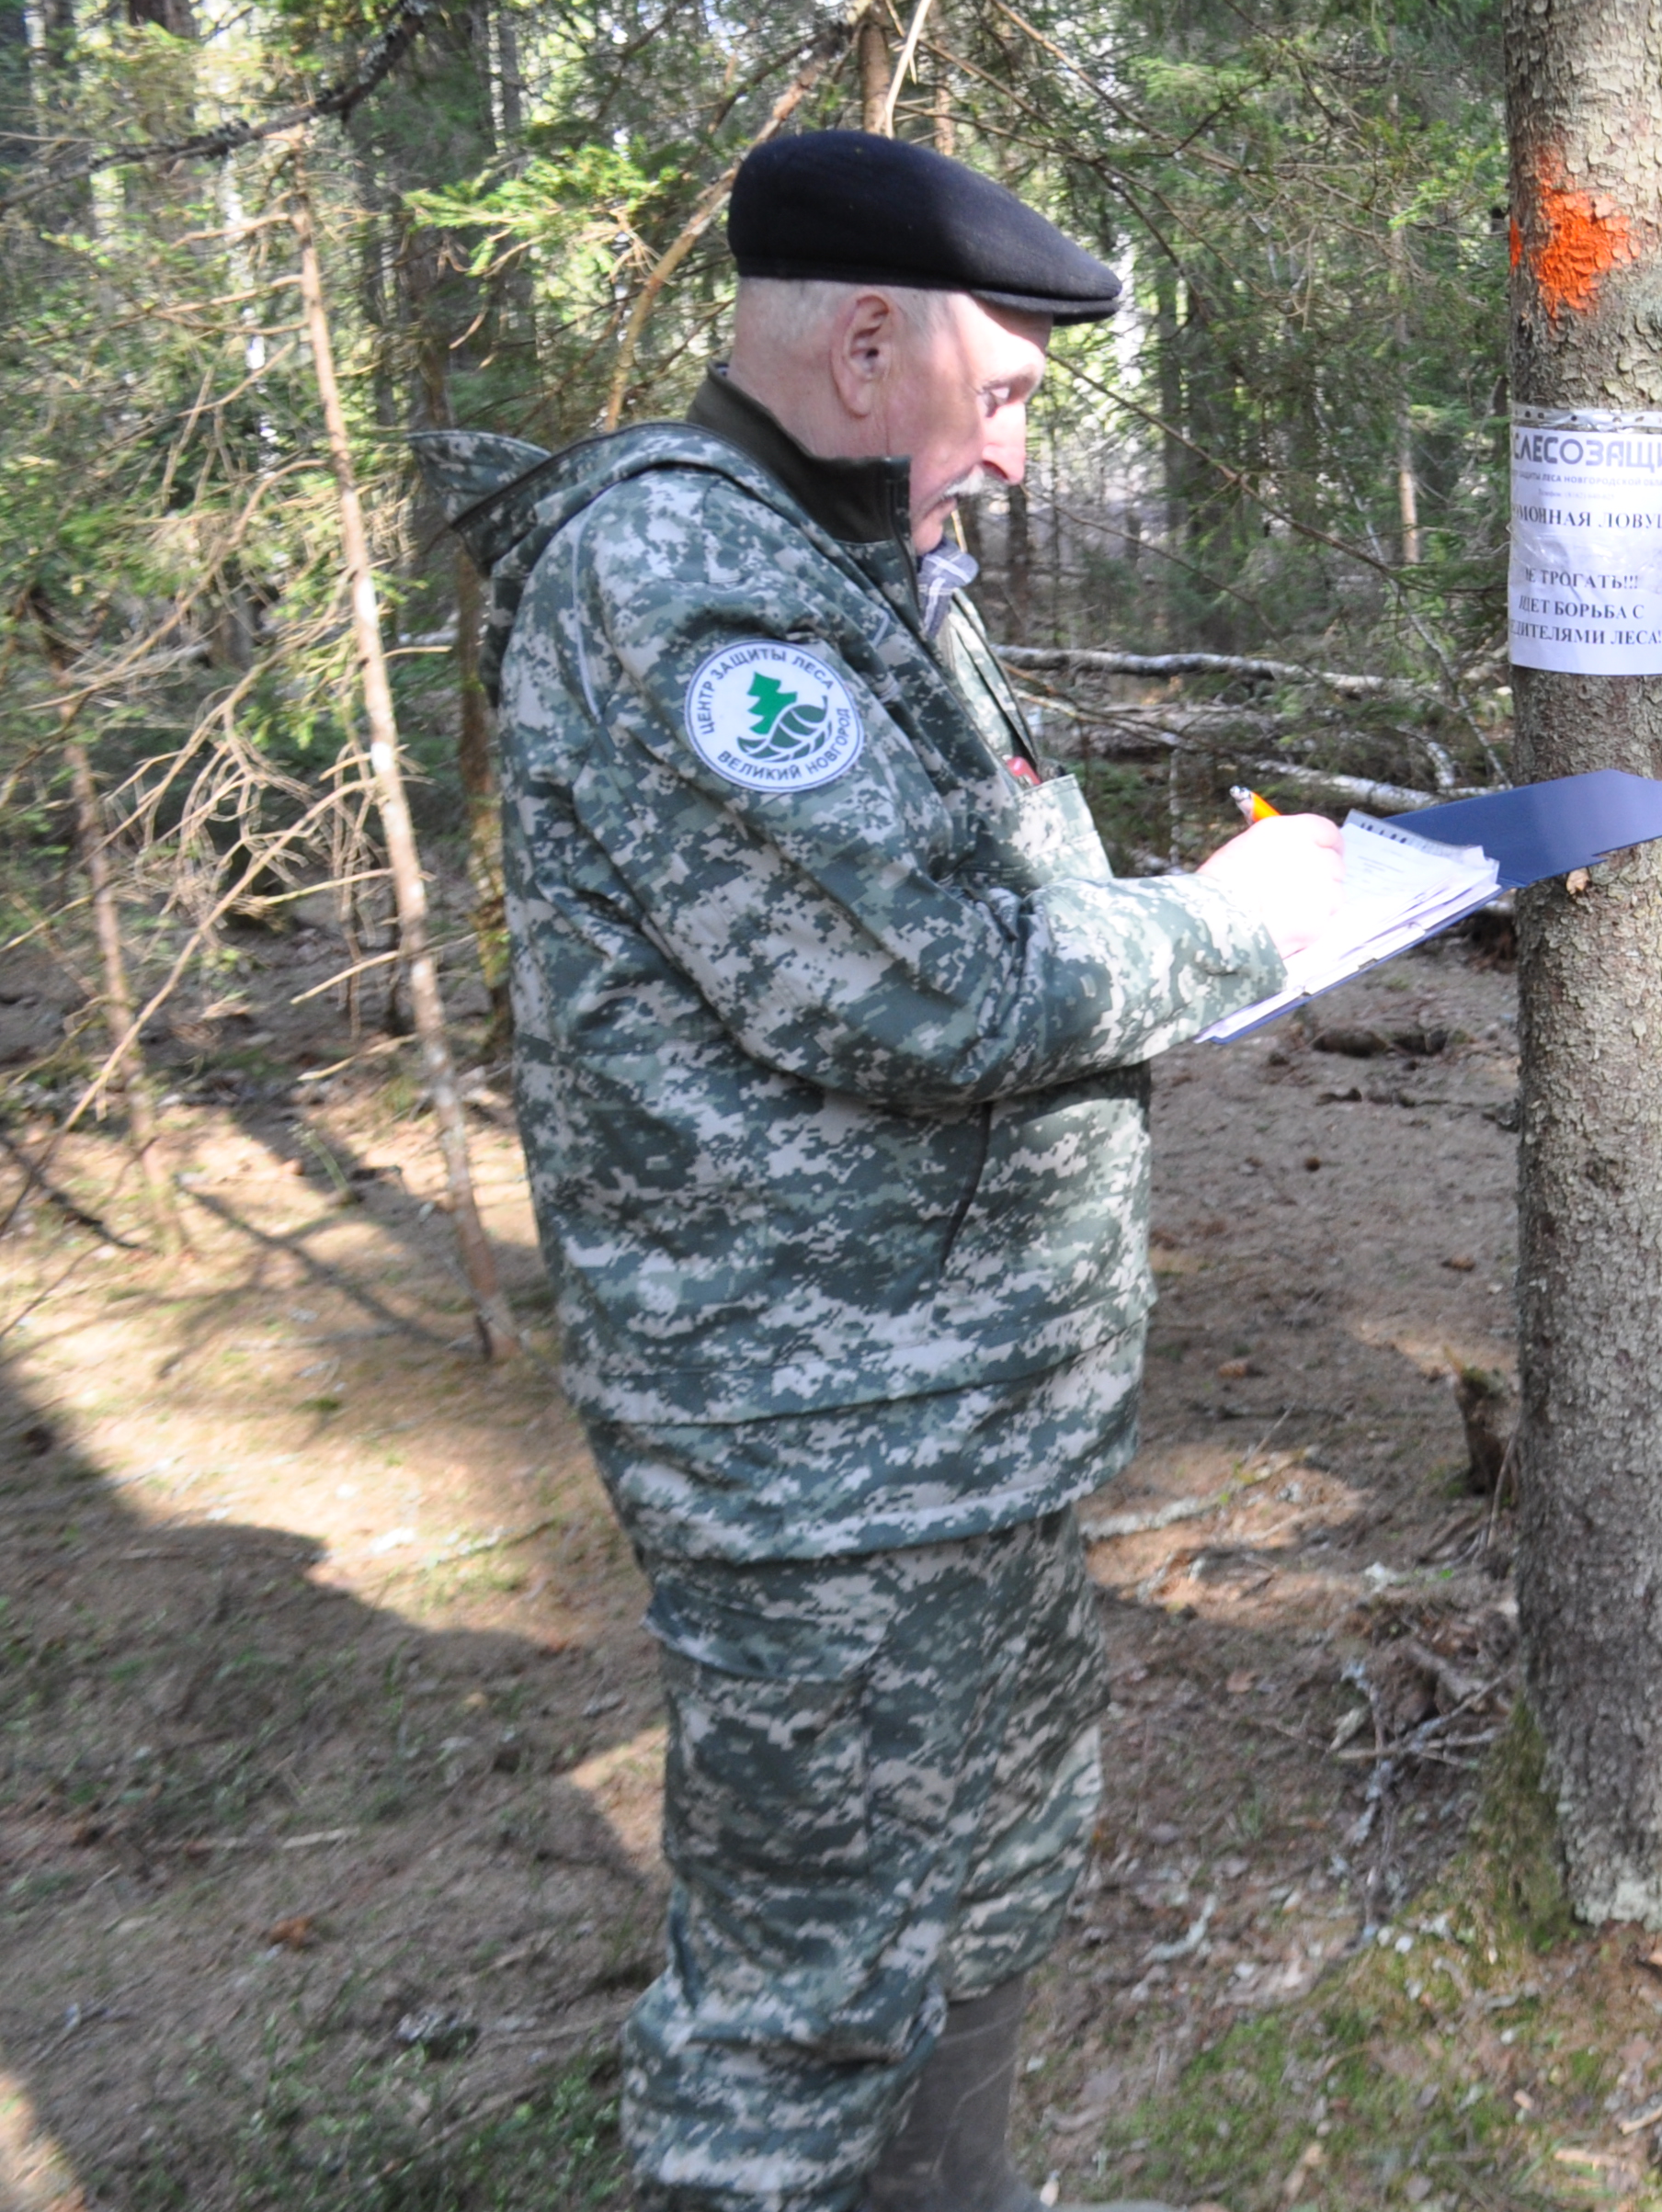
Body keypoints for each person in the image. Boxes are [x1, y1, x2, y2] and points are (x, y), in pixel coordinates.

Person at [452, 130, 1341, 2212]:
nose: (1020, 450)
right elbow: (941, 983)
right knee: (801, 1996)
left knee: (997, 1870)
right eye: (1009, 392)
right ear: (866, 346)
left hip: (949, 1424)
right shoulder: (693, 586)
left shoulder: (848, 559)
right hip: (817, 1442)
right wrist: (1250, 922)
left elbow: (982, 893)